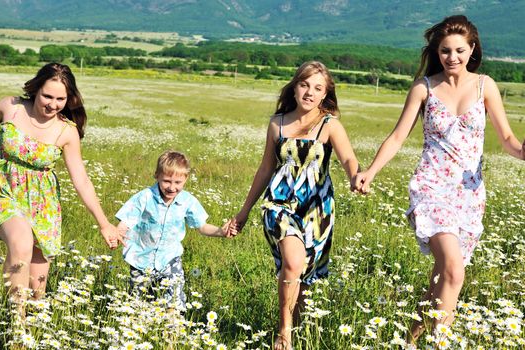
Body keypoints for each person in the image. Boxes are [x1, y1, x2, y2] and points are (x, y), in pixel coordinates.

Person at [354, 15, 525, 343]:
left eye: (460, 50)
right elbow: (396, 138)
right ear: (437, 51)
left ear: (472, 49)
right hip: (431, 188)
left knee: (442, 278)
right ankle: (439, 342)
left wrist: (522, 151)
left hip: (470, 196)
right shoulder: (424, 87)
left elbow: (508, 139)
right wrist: (370, 172)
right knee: (454, 271)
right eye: (445, 51)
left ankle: (409, 340)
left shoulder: (485, 86)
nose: (452, 57)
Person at [228, 61, 359, 349]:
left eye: (317, 88)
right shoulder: (278, 123)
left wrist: (355, 176)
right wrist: (245, 210)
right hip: (279, 204)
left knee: (304, 276)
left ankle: (295, 332)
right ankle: (284, 331)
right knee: (293, 262)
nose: (309, 93)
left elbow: (348, 158)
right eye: (304, 85)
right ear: (295, 86)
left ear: (325, 94)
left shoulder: (330, 125)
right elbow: (265, 169)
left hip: (317, 209)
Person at [0, 63, 121, 309]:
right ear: (36, 89)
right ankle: (16, 327)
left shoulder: (66, 131)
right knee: (20, 240)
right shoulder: (9, 107)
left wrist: (104, 223)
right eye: (47, 96)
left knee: (37, 288)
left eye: (60, 99)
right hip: (3, 190)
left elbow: (81, 180)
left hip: (43, 205)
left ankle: (27, 325)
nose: (53, 105)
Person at [116, 150, 234, 312]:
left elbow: (202, 226)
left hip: (170, 259)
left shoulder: (187, 201)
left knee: (174, 300)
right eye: (166, 181)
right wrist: (118, 234)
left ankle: (173, 330)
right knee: (138, 301)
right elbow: (126, 221)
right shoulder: (144, 197)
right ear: (156, 176)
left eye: (177, 182)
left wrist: (221, 231)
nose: (172, 187)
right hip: (141, 259)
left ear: (185, 179)